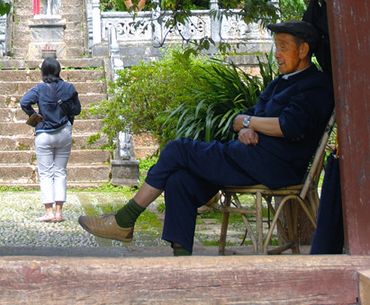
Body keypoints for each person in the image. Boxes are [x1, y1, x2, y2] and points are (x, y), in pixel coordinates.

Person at [78, 21, 334, 255]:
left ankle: (125, 219)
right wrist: (246, 127)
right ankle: (182, 260)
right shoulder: (279, 83)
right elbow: (242, 118)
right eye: (275, 46)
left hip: (277, 167)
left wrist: (248, 122)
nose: (276, 53)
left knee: (178, 150)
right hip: (252, 159)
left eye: (283, 47)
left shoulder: (315, 86)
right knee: (180, 180)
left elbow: (286, 126)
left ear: (303, 51)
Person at [20, 57, 82, 222]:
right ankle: (59, 212)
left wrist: (34, 116)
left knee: (46, 173)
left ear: (43, 72)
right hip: (63, 132)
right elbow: (77, 110)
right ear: (58, 70)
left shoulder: (40, 88)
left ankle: (48, 212)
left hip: (44, 134)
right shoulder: (69, 87)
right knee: (60, 171)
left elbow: (24, 102)